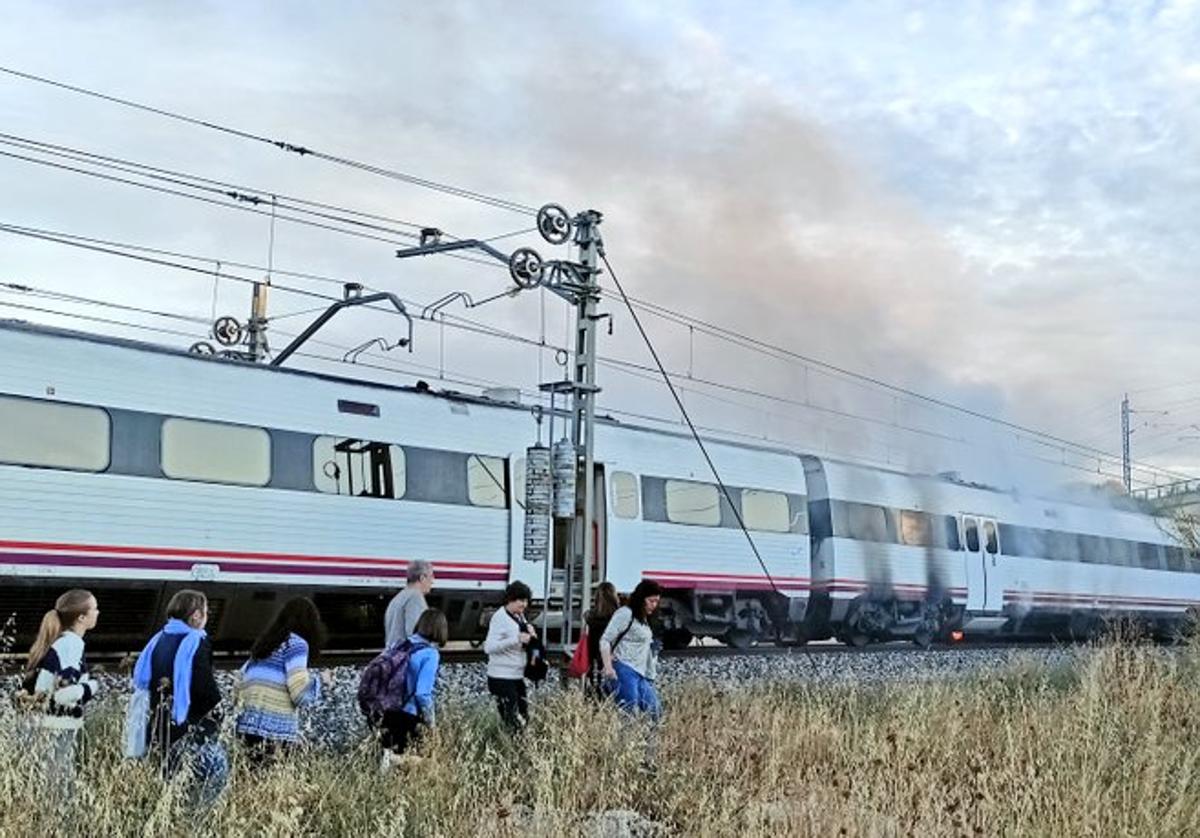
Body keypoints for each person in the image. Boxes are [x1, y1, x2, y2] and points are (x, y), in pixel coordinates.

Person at [134, 589, 226, 806]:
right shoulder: (196, 640)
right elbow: (203, 684)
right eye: (205, 611)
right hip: (189, 722)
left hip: (158, 721)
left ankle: (169, 819)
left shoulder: (160, 638)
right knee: (211, 776)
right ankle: (193, 822)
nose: (207, 616)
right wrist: (217, 713)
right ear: (195, 615)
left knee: (169, 779)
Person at [21, 589, 100, 800]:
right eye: (94, 609)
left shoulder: (62, 641)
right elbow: (64, 694)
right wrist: (92, 687)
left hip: (46, 723)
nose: (98, 612)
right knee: (58, 785)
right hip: (58, 724)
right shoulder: (71, 644)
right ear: (81, 617)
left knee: (51, 780)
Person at [235, 597, 326, 764]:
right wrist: (320, 681)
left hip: (246, 726)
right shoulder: (297, 645)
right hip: (275, 733)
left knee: (249, 782)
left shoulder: (266, 643)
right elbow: (300, 695)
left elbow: (239, 680)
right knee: (271, 783)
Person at [379, 608, 448, 767]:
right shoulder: (430, 654)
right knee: (409, 763)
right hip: (408, 714)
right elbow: (422, 694)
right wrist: (431, 723)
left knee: (387, 759)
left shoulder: (400, 644)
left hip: (388, 709)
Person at [600, 579, 663, 720]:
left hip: (640, 673)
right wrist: (608, 667)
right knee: (628, 712)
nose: (654, 605)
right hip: (624, 668)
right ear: (642, 599)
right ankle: (627, 741)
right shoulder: (625, 614)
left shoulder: (643, 619)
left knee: (655, 710)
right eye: (651, 601)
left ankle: (648, 740)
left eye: (656, 601)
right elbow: (605, 640)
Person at [484, 581, 535, 732]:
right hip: (502, 676)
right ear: (510, 599)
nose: (524, 604)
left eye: (526, 600)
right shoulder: (500, 618)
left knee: (523, 717)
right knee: (512, 720)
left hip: (516, 676)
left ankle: (519, 749)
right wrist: (516, 639)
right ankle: (512, 749)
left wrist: (532, 636)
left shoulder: (520, 617)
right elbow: (489, 647)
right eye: (520, 600)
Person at [384, 560, 434, 649]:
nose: (432, 581)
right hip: (406, 659)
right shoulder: (415, 598)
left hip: (394, 658)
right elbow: (416, 636)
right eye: (431, 577)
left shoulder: (397, 598)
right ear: (422, 578)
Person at [585, 582, 621, 695]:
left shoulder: (591, 618)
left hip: (594, 662)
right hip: (613, 662)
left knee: (596, 693)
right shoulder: (618, 618)